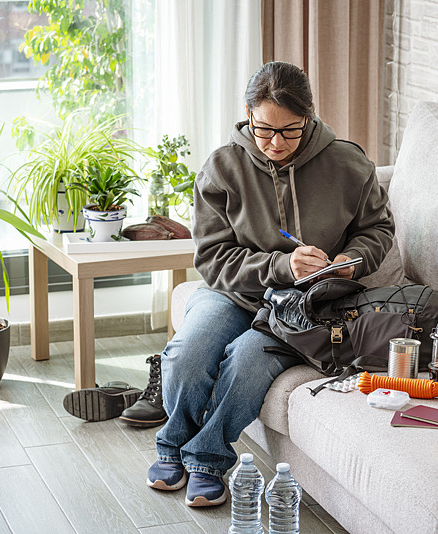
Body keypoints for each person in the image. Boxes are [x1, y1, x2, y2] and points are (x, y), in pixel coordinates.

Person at [146, 61, 394, 507]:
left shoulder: (348, 164)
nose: (276, 143)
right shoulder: (223, 167)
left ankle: (207, 460)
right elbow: (211, 258)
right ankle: (172, 445)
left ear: (310, 116)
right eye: (265, 130)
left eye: (290, 130)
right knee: (188, 352)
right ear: (248, 113)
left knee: (247, 363)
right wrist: (281, 266)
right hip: (235, 293)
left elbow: (377, 229)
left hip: (306, 308)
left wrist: (348, 262)